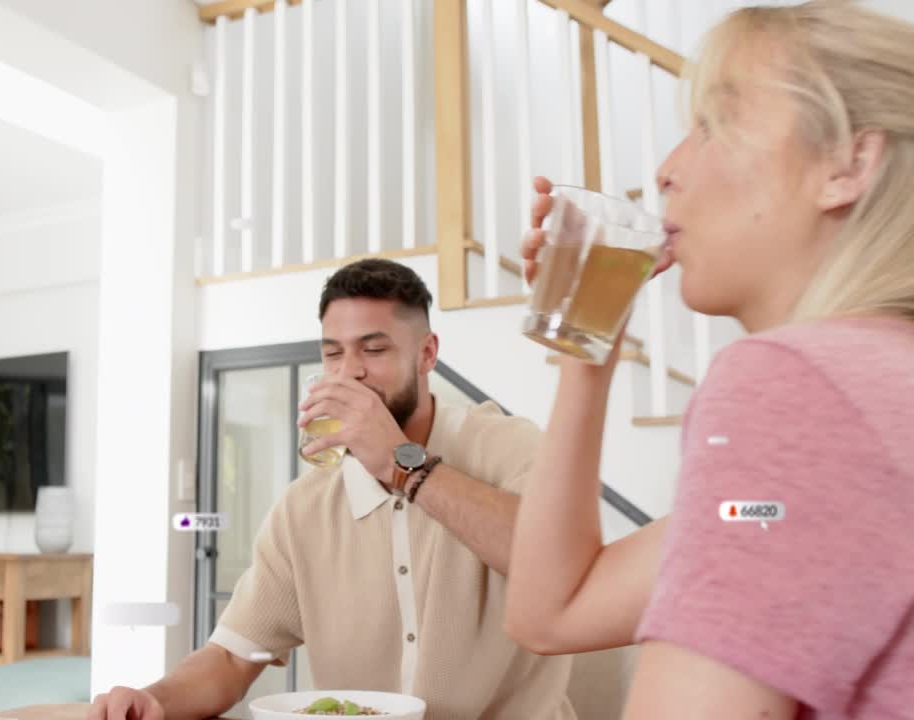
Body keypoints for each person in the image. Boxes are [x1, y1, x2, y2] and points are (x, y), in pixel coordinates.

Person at [504, 2, 914, 718]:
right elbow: (554, 611)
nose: (665, 170)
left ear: (849, 163)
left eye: (713, 125)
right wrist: (588, 345)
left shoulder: (798, 389)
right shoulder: (864, 396)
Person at [90, 259, 575, 719]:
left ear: (427, 353)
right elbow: (232, 659)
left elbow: (554, 560)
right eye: (333, 353)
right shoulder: (305, 508)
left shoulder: (507, 445)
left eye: (374, 349)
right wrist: (152, 700)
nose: (349, 371)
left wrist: (400, 464)